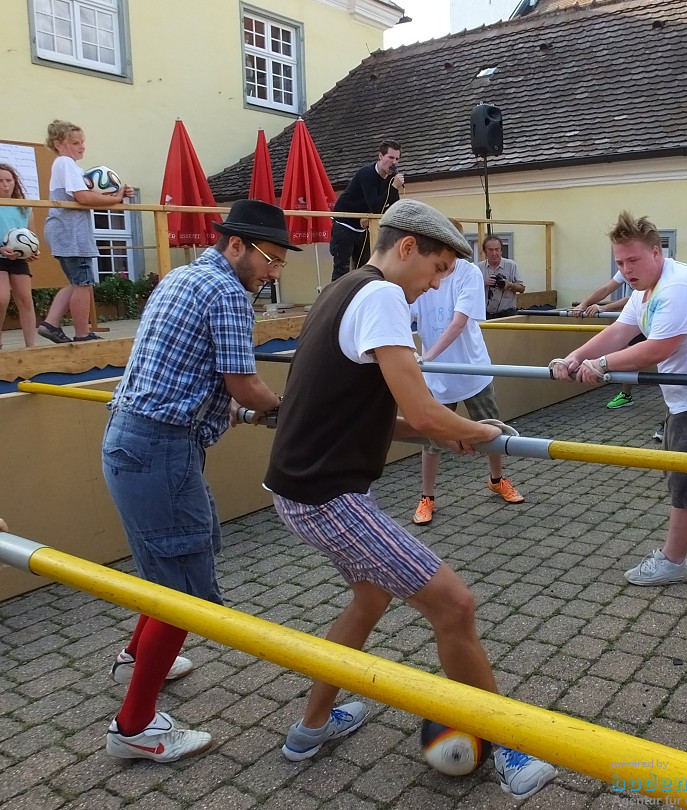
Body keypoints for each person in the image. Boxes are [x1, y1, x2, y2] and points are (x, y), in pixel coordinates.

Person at [264, 199, 556, 799]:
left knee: (369, 599)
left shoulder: (343, 288)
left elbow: (370, 415)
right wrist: (482, 430)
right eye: (439, 266)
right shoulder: (382, 298)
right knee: (456, 606)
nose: (440, 282)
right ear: (406, 248)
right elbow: (422, 410)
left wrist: (453, 436)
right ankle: (508, 750)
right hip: (326, 497)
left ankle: (308, 729)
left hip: (299, 488)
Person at [101, 200, 295, 762]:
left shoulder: (182, 276)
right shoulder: (229, 293)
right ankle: (134, 728)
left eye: (280, 263)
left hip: (130, 439)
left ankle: (137, 661)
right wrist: (291, 411)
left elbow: (190, 371)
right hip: (160, 450)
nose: (274, 273)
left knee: (171, 563)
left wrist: (234, 408)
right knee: (187, 590)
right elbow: (243, 384)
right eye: (271, 260)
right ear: (235, 244)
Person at [550, 211, 687, 586]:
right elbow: (619, 331)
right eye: (620, 262)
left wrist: (601, 365)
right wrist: (574, 357)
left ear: (656, 253)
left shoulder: (677, 286)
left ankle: (673, 561)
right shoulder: (645, 290)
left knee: (684, 478)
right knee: (684, 472)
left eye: (633, 260)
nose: (627, 269)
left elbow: (658, 349)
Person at [410, 237, 525, 526]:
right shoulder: (421, 271)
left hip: (472, 370)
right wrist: (408, 353)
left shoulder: (469, 272)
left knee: (491, 431)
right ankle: (427, 497)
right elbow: (403, 313)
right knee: (432, 439)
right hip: (437, 377)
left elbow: (458, 322)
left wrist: (427, 358)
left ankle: (497, 480)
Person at [39, 119, 134, 343]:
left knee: (76, 281)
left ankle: (50, 324)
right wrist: (116, 199)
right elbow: (83, 198)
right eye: (75, 142)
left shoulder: (68, 166)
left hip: (66, 230)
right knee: (83, 282)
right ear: (59, 143)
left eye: (82, 142)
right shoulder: (66, 163)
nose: (81, 146)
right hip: (70, 231)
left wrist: (115, 196)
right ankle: (83, 333)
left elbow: (86, 197)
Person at [329, 140, 404, 282]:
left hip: (362, 227)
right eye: (390, 158)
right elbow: (376, 206)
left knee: (364, 267)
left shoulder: (390, 179)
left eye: (397, 159)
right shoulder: (367, 173)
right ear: (380, 156)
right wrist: (393, 187)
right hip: (344, 223)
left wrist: (393, 189)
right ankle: (337, 301)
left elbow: (393, 207)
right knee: (342, 268)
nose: (394, 163)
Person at [570, 275, 640, 409]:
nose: (625, 266)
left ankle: (670, 409)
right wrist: (584, 304)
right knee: (627, 351)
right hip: (636, 319)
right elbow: (606, 289)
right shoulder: (625, 269)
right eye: (620, 262)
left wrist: (603, 308)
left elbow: (634, 298)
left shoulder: (651, 270)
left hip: (656, 318)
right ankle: (626, 395)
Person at [0, 163, 38, 349]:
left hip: (18, 259)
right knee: (2, 298)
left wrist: (33, 252)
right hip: (0, 257)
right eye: (0, 181)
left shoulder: (24, 207)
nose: (5, 185)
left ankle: (31, 347)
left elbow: (32, 236)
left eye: (9, 180)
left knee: (25, 300)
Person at [480, 234, 525, 318]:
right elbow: (470, 290)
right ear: (485, 252)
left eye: (497, 249)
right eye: (490, 250)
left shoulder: (511, 265)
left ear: (501, 251)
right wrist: (484, 283)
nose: (494, 253)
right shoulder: (479, 267)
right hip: (486, 315)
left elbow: (522, 289)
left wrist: (509, 285)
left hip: (508, 314)